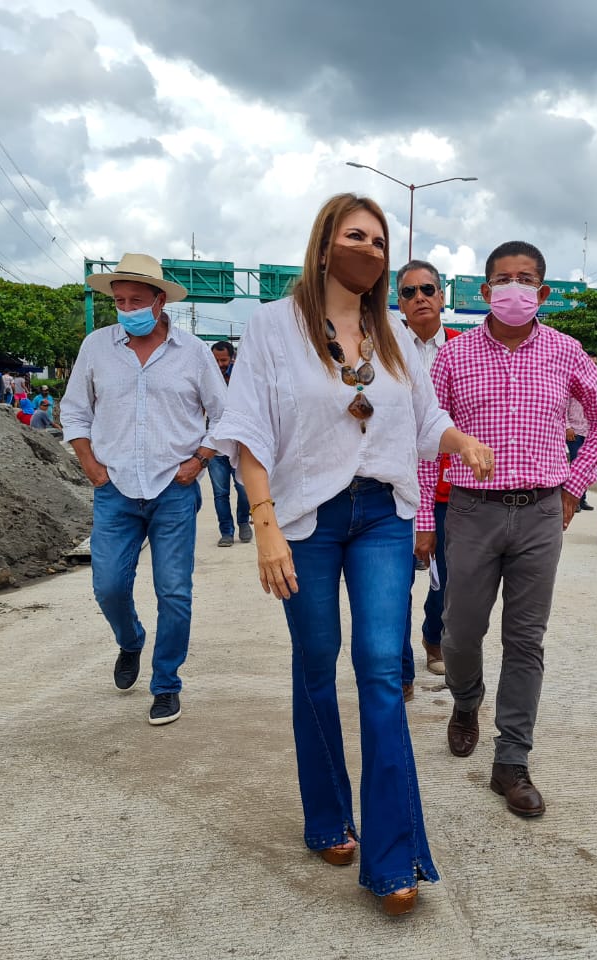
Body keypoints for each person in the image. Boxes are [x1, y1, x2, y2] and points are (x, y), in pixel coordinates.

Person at [215, 194, 492, 916]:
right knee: (315, 665)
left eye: (379, 241)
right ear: (325, 242)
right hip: (305, 517)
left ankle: (394, 855)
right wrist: (265, 523)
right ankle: (326, 817)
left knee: (378, 668)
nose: (369, 251)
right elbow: (247, 430)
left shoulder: (393, 329)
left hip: (384, 516)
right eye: (355, 237)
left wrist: (458, 441)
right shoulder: (273, 326)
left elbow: (425, 416)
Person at [424, 240, 597, 819]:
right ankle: (466, 701)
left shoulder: (565, 351)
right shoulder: (453, 358)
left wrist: (574, 483)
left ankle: (511, 760)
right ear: (484, 292)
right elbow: (425, 431)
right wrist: (420, 520)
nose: (515, 288)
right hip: (470, 511)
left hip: (539, 512)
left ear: (544, 291)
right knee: (460, 631)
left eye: (527, 279)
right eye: (503, 279)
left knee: (525, 639)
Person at [61, 252, 226, 727]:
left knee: (174, 591)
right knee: (109, 585)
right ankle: (131, 639)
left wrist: (199, 460)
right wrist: (91, 466)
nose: (126, 307)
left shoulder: (193, 353)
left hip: (173, 489)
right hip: (114, 489)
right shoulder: (96, 348)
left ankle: (166, 684)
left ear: (159, 301)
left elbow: (225, 414)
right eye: (119, 300)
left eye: (136, 299)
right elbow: (74, 411)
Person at [399, 259, 462, 688]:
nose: (419, 297)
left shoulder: (465, 347)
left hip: (450, 488)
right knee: (393, 582)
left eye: (427, 289)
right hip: (395, 483)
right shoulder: (380, 347)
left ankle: (433, 636)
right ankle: (398, 667)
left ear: (441, 297)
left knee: (451, 578)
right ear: (399, 303)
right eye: (409, 292)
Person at [208, 340, 252, 547]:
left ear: (232, 358)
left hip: (239, 446)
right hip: (215, 449)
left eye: (223, 360)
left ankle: (243, 521)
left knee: (243, 489)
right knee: (220, 493)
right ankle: (226, 531)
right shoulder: (206, 377)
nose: (219, 364)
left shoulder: (242, 378)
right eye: (215, 360)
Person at [565, 350, 597, 511]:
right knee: (576, 464)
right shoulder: (572, 382)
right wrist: (567, 427)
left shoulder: (596, 385)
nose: (593, 367)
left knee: (586, 466)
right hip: (575, 431)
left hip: (589, 432)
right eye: (590, 363)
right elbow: (563, 406)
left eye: (595, 364)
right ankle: (572, 499)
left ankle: (582, 498)